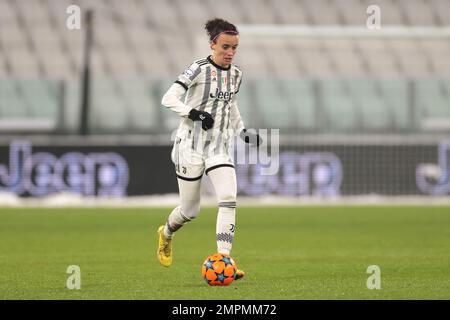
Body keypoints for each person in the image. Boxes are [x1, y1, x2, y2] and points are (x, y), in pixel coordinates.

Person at [156, 18, 262, 281]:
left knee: (228, 198)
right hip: (189, 145)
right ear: (212, 44)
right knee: (190, 210)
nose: (230, 52)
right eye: (225, 46)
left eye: (234, 47)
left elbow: (231, 105)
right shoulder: (197, 69)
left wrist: (242, 131)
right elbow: (168, 98)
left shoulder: (236, 74)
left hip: (218, 146)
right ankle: (166, 233)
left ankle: (225, 260)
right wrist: (195, 113)